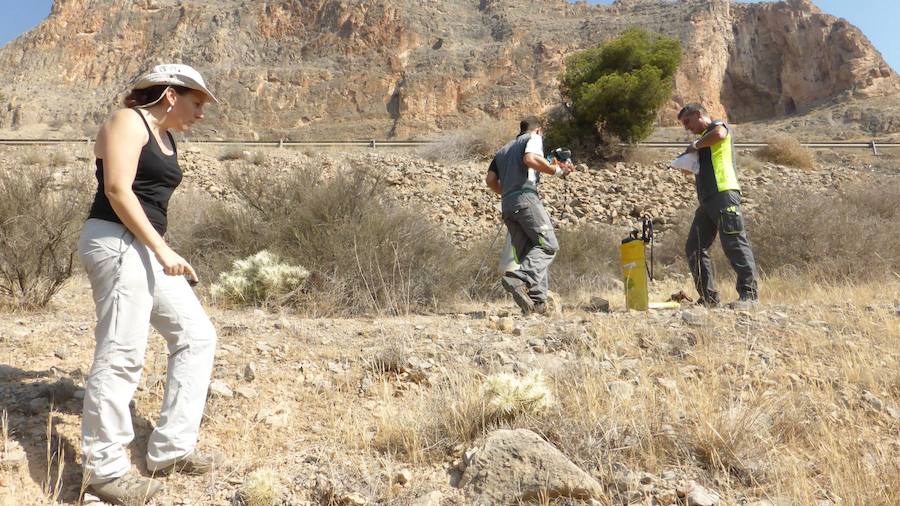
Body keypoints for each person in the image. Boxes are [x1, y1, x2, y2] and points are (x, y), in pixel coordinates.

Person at [78, 64, 224, 505]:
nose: (201, 113)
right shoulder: (128, 121)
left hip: (144, 246)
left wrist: (159, 250)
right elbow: (117, 190)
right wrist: (163, 251)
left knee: (197, 336)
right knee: (121, 352)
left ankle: (171, 449)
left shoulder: (166, 137)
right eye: (196, 103)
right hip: (117, 241)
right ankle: (104, 471)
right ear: (170, 95)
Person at [485, 117, 573, 315]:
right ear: (538, 130)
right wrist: (557, 171)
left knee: (530, 253)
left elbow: (490, 180)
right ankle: (520, 278)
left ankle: (537, 303)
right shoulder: (533, 138)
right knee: (548, 245)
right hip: (526, 199)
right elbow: (530, 159)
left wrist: (509, 192)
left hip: (508, 205)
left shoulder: (502, 150)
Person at [677, 103, 759, 309]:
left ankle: (749, 296)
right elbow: (694, 168)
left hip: (723, 194)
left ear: (698, 114)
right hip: (707, 200)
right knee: (694, 246)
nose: (687, 127)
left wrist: (695, 146)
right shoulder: (703, 141)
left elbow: (720, 134)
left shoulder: (716, 126)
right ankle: (709, 298)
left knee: (734, 242)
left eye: (687, 121)